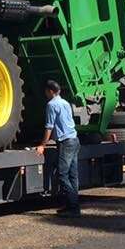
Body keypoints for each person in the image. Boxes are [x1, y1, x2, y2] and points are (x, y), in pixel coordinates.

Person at [35, 79, 81, 217]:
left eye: (45, 91)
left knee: (62, 174)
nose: (45, 94)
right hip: (75, 140)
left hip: (66, 142)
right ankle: (71, 206)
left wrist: (42, 145)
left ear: (50, 91)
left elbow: (49, 126)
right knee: (73, 176)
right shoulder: (65, 103)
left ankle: (74, 207)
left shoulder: (51, 105)